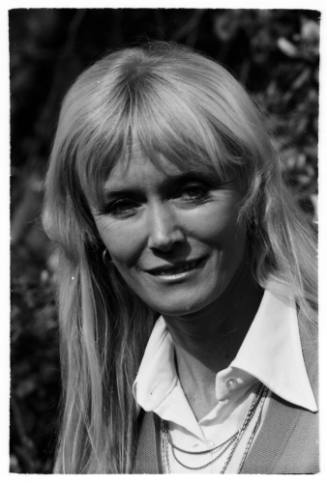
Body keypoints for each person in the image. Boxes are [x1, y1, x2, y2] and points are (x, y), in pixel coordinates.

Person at [43, 41, 318, 474]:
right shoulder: (101, 433)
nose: (162, 235)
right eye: (122, 205)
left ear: (252, 191)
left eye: (191, 191)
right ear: (90, 231)